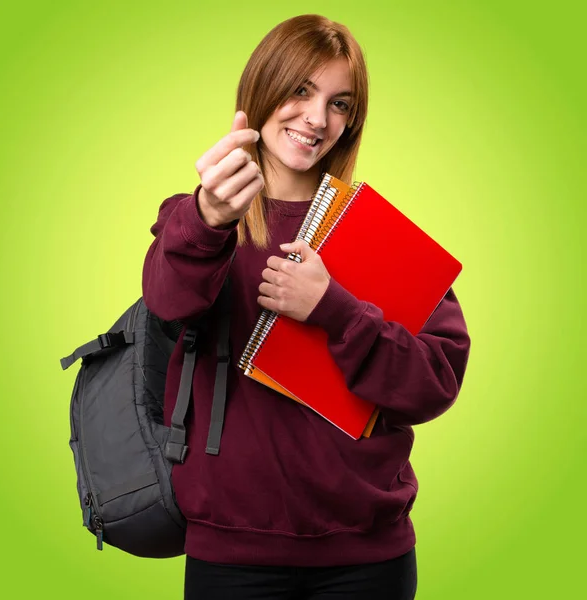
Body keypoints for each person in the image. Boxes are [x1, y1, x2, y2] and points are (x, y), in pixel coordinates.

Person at [142, 13, 470, 600]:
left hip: (367, 555)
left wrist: (333, 308)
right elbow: (166, 304)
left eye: (340, 103)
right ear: (261, 90)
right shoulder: (194, 218)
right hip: (230, 548)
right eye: (300, 90)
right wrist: (208, 216)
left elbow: (434, 383)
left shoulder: (378, 236)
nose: (317, 120)